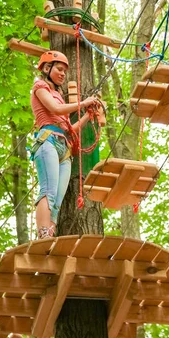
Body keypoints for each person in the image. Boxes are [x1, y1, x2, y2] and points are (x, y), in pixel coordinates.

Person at [31, 50, 98, 239]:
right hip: (48, 141)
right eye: (59, 69)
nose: (62, 74)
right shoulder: (40, 86)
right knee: (48, 191)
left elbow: (69, 129)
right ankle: (43, 233)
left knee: (57, 201)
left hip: (64, 148)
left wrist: (87, 115)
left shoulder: (59, 95)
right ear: (46, 68)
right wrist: (83, 103)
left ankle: (50, 234)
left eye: (64, 71)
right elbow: (55, 109)